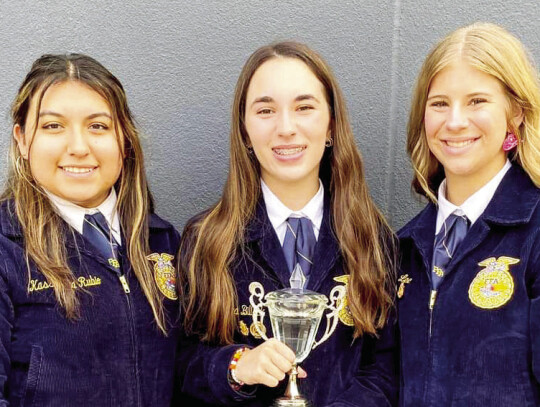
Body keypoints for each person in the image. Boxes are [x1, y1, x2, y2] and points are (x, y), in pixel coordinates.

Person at [175, 41, 397, 406]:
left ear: (331, 126)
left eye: (304, 107)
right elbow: (182, 365)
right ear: (245, 132)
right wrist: (237, 366)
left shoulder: (374, 240)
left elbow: (386, 367)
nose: (286, 127)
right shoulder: (204, 240)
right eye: (265, 110)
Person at [0, 54, 181, 406]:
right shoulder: (6, 249)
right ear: (22, 140)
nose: (79, 147)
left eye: (98, 126)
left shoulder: (162, 242)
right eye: (53, 126)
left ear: (123, 139)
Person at [398, 22, 540, 406]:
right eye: (439, 103)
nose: (455, 121)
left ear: (517, 113)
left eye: (477, 101)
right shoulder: (404, 246)